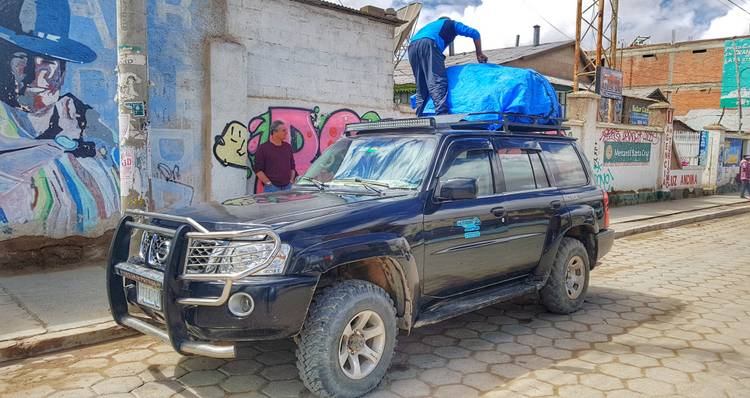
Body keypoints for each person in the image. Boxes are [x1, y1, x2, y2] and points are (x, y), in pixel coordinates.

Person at [0, 0, 119, 232]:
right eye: (22, 58)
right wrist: (59, 140)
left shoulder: (84, 120)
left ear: (62, 68)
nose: (38, 74)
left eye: (48, 60)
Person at [408, 17, 487, 116]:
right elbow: (475, 33)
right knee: (437, 81)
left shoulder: (429, 27)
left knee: (421, 85)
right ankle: (442, 114)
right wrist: (479, 53)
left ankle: (420, 115)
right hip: (429, 43)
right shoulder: (451, 24)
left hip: (412, 47)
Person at [255, 120, 297, 192]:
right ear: (275, 132)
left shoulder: (288, 147)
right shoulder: (263, 148)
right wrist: (268, 183)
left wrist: (291, 181)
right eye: (283, 130)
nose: (286, 133)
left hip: (287, 187)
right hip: (272, 188)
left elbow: (292, 167)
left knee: (288, 204)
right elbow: (258, 169)